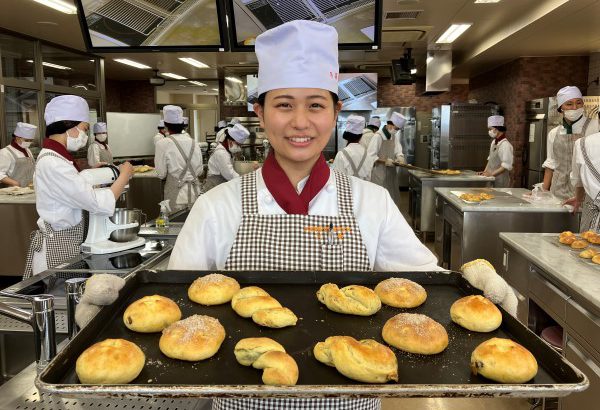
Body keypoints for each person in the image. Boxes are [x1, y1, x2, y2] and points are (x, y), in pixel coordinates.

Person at [169, 19, 440, 410]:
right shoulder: (216, 205)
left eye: (315, 104)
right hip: (242, 402)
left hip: (350, 403)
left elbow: (425, 287)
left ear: (335, 113)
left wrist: (477, 288)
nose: (300, 122)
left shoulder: (372, 202)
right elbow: (179, 301)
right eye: (283, 105)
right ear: (260, 114)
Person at [23, 95, 133, 278]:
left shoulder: (56, 158)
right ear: (69, 127)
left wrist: (93, 175)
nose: (85, 135)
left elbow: (71, 189)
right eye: (84, 129)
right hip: (58, 247)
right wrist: (124, 175)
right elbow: (96, 202)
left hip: (67, 241)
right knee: (62, 301)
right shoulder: (53, 162)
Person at [542, 86, 599, 200]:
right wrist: (543, 192)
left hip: (586, 195)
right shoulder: (554, 133)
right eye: (569, 104)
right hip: (557, 193)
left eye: (578, 103)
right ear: (560, 108)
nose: (575, 107)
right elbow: (551, 164)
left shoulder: (595, 126)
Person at [154, 105, 203, 211]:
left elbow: (161, 174)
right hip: (195, 193)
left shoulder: (162, 143)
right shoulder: (194, 142)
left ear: (166, 125)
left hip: (176, 195)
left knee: (175, 225)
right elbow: (199, 171)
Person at [567, 114, 600, 231]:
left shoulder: (581, 143)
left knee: (588, 247)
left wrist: (578, 198)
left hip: (592, 211)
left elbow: (578, 180)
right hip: (592, 209)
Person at [366, 113, 406, 207]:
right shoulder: (378, 136)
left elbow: (398, 150)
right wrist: (385, 161)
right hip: (379, 173)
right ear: (390, 124)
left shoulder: (393, 137)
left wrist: (400, 157)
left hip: (391, 173)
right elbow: (370, 156)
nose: (396, 131)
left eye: (398, 129)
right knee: (380, 200)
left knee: (391, 199)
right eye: (396, 128)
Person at [203, 123, 250, 192]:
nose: (239, 148)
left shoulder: (226, 152)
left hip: (218, 187)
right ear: (230, 141)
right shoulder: (221, 153)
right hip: (214, 187)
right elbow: (230, 175)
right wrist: (246, 181)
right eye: (238, 145)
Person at [332, 114, 373, 180]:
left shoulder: (341, 154)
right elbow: (369, 177)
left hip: (347, 189)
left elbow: (337, 178)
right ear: (361, 136)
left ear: (346, 138)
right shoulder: (367, 154)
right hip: (364, 189)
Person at [478, 115, 513, 187]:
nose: (489, 131)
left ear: (497, 129)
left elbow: (505, 166)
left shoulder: (505, 145)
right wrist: (485, 173)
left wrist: (491, 174)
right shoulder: (494, 142)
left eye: (490, 129)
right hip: (490, 179)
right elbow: (490, 160)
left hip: (500, 181)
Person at [0, 122, 37, 187]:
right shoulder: (5, 152)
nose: (29, 143)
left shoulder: (27, 150)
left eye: (31, 140)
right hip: (15, 191)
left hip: (30, 188)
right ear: (17, 138)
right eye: (27, 140)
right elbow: (0, 173)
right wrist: (15, 183)